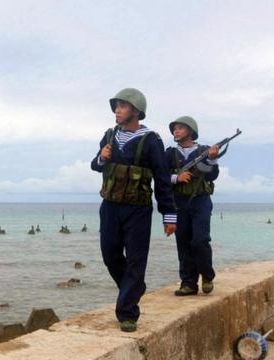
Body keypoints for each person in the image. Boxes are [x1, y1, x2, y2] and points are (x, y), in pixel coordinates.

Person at [91, 88, 177, 332]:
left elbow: (161, 178)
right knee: (110, 254)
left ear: (136, 111)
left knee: (137, 260)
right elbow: (94, 165)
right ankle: (135, 288)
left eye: (122, 106)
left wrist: (169, 215)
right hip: (109, 207)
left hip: (137, 209)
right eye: (116, 106)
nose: (117, 110)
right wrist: (102, 158)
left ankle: (127, 312)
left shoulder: (151, 140)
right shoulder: (109, 136)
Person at [165, 116, 219, 296]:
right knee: (183, 242)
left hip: (200, 200)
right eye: (174, 129)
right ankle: (188, 283)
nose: (176, 131)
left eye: (180, 128)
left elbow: (211, 176)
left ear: (190, 130)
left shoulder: (203, 150)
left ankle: (207, 275)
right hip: (179, 202)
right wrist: (176, 178)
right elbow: (160, 177)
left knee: (200, 240)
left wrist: (211, 159)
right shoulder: (170, 154)